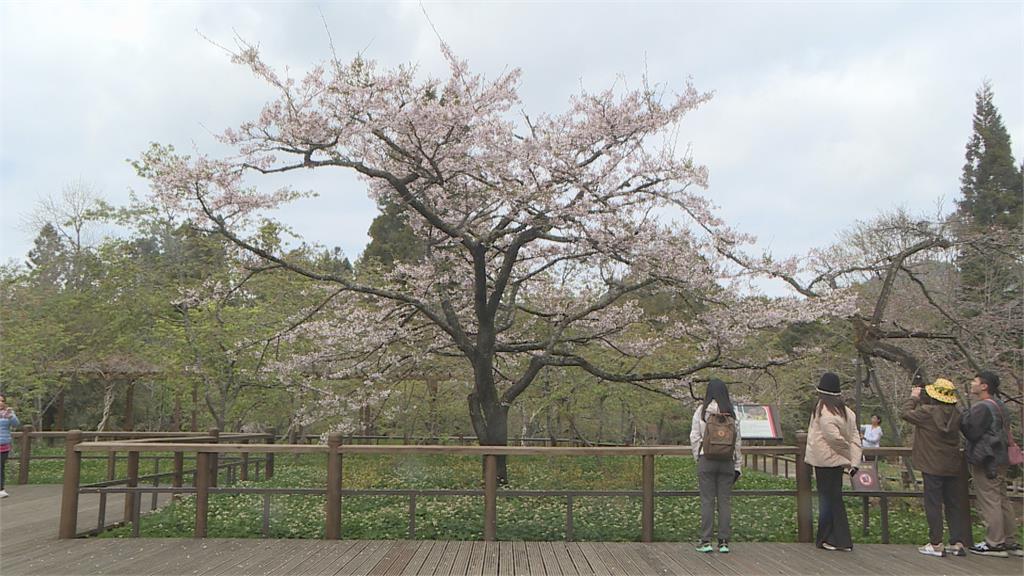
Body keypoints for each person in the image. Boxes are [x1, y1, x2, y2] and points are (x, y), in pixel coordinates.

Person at [899, 378, 967, 557]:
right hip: (952, 464)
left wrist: (913, 397)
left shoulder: (927, 412)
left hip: (931, 465)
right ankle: (957, 542)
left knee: (933, 504)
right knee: (953, 503)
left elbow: (905, 413)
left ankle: (936, 542)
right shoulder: (957, 414)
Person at [961, 371, 1022, 557]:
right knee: (1002, 499)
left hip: (987, 459)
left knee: (989, 500)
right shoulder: (1000, 406)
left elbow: (971, 431)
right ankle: (1010, 540)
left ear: (984, 386)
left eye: (975, 381)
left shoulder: (983, 407)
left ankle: (994, 542)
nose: (972, 384)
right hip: (1001, 457)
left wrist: (963, 416)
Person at [805, 372, 861, 551]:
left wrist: (847, 456)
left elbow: (834, 439)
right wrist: (854, 460)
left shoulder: (824, 412)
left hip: (825, 461)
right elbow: (855, 438)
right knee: (834, 498)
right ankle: (837, 539)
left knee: (828, 500)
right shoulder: (847, 412)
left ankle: (831, 538)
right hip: (836, 462)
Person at [689, 379, 742, 554]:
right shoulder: (732, 413)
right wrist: (737, 465)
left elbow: (694, 436)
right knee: (724, 502)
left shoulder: (702, 411)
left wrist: (699, 455)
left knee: (707, 501)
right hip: (727, 462)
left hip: (707, 460)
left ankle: (705, 541)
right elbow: (737, 442)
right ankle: (724, 542)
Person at [0, 394, 20, 498]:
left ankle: (1, 489)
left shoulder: (8, 413)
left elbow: (17, 424)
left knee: (0, 467)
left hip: (3, 444)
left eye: (2, 401)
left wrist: (11, 416)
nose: (0, 403)